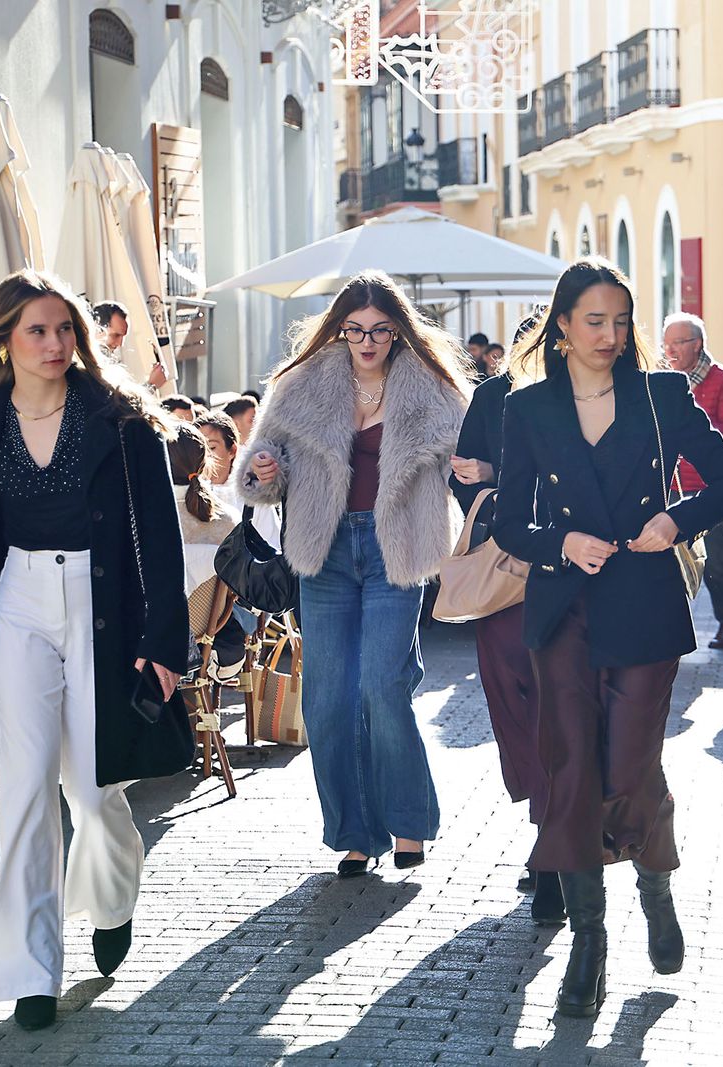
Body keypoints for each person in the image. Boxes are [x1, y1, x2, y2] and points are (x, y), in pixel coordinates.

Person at [0, 269, 190, 1031]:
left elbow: (159, 538)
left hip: (100, 605)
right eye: (37, 330)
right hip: (17, 605)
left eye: (64, 329)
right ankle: (32, 971)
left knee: (95, 787)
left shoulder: (119, 419)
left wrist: (164, 640)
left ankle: (111, 897)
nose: (54, 343)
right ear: (4, 339)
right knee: (25, 792)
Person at [493, 258, 723, 1019]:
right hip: (563, 607)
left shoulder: (662, 392)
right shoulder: (530, 408)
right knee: (572, 762)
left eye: (619, 320)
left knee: (630, 760)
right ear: (563, 327)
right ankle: (589, 941)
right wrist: (561, 541)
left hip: (642, 604)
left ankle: (654, 881)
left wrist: (676, 519)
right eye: (593, 321)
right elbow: (510, 520)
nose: (609, 335)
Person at [237, 270, 470, 877]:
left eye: (380, 331)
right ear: (337, 331)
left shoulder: (435, 390)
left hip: (398, 548)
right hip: (327, 550)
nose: (366, 342)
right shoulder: (298, 387)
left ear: (399, 333)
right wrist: (263, 468)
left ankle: (409, 822)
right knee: (326, 703)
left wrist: (472, 471)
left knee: (382, 685)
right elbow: (261, 474)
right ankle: (354, 833)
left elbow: (471, 463)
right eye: (354, 330)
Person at [449, 313, 559, 921]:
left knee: (560, 705)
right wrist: (487, 481)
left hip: (577, 580)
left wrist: (500, 477)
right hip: (505, 576)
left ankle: (554, 845)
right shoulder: (492, 397)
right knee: (512, 702)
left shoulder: (598, 397)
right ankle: (550, 825)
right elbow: (462, 477)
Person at [662, 311, 723, 650]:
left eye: (678, 343)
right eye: (666, 344)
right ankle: (669, 624)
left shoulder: (722, 380)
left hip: (709, 487)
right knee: (666, 558)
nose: (670, 351)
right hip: (668, 484)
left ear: (697, 344)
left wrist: (691, 441)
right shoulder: (661, 380)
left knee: (714, 559)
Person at [167, 420, 238, 594]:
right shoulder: (230, 520)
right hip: (218, 620)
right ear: (204, 462)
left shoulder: (140, 522)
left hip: (158, 619)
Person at [94, 299, 168, 390]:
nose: (120, 344)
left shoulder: (106, 363)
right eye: (116, 335)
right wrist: (151, 385)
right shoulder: (89, 365)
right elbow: (116, 403)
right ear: (97, 330)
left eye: (123, 336)